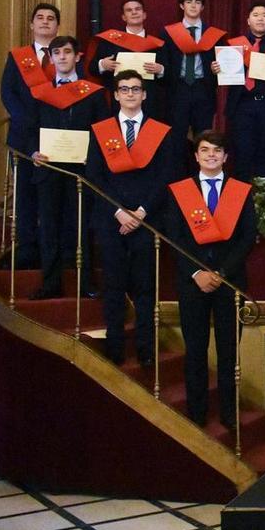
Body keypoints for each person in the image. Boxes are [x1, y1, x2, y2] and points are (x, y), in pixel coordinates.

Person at [86, 70, 179, 366]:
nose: (129, 94)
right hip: (110, 219)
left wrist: (141, 212)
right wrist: (118, 212)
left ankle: (145, 350)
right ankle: (114, 351)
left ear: (144, 94)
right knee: (113, 287)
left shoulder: (160, 131)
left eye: (135, 89)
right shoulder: (101, 130)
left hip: (146, 219)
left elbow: (166, 176)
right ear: (115, 95)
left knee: (145, 288)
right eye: (124, 89)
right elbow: (94, 176)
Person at [166, 131, 256, 428]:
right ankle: (197, 414)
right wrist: (197, 273)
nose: (211, 156)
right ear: (196, 156)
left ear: (225, 157)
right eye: (205, 151)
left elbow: (246, 238)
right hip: (193, 283)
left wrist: (221, 274)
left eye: (217, 151)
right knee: (195, 350)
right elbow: (174, 237)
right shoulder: (181, 191)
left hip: (229, 283)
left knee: (229, 352)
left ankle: (229, 415)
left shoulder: (241, 191)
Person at [29, 35, 106, 299]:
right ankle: (50, 284)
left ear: (77, 57)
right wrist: (33, 151)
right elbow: (29, 129)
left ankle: (85, 284)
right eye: (57, 53)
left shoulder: (93, 94)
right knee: (49, 227)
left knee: (80, 227)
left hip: (81, 171)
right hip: (48, 170)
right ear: (51, 58)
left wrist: (91, 157)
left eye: (67, 52)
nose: (62, 57)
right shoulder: (41, 94)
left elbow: (102, 130)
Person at [2, 2, 60, 268]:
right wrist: (25, 121)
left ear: (57, 26)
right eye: (40, 17)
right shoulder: (18, 57)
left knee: (53, 199)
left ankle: (54, 253)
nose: (45, 22)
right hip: (24, 137)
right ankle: (26, 252)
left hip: (56, 138)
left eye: (50, 18)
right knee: (24, 196)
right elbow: (8, 93)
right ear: (31, 24)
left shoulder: (64, 55)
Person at [220, 2, 265, 180]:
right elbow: (224, 77)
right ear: (248, 20)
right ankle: (241, 202)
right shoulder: (234, 47)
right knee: (241, 156)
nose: (260, 18)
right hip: (242, 107)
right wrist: (217, 69)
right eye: (256, 14)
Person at [159, 0, 226, 142]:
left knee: (204, 137)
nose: (193, 6)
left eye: (197, 2)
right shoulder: (168, 33)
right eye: (189, 2)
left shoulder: (214, 34)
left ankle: (202, 167)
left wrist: (218, 70)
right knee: (176, 138)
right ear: (182, 6)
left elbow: (222, 67)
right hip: (178, 90)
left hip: (203, 89)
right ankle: (177, 167)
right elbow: (164, 63)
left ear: (202, 7)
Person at [88, 0, 167, 120]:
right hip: (117, 103)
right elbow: (92, 68)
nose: (134, 12)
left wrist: (160, 70)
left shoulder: (157, 44)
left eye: (137, 9)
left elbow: (169, 75)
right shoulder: (110, 41)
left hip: (150, 104)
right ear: (124, 17)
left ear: (144, 14)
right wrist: (103, 64)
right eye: (129, 10)